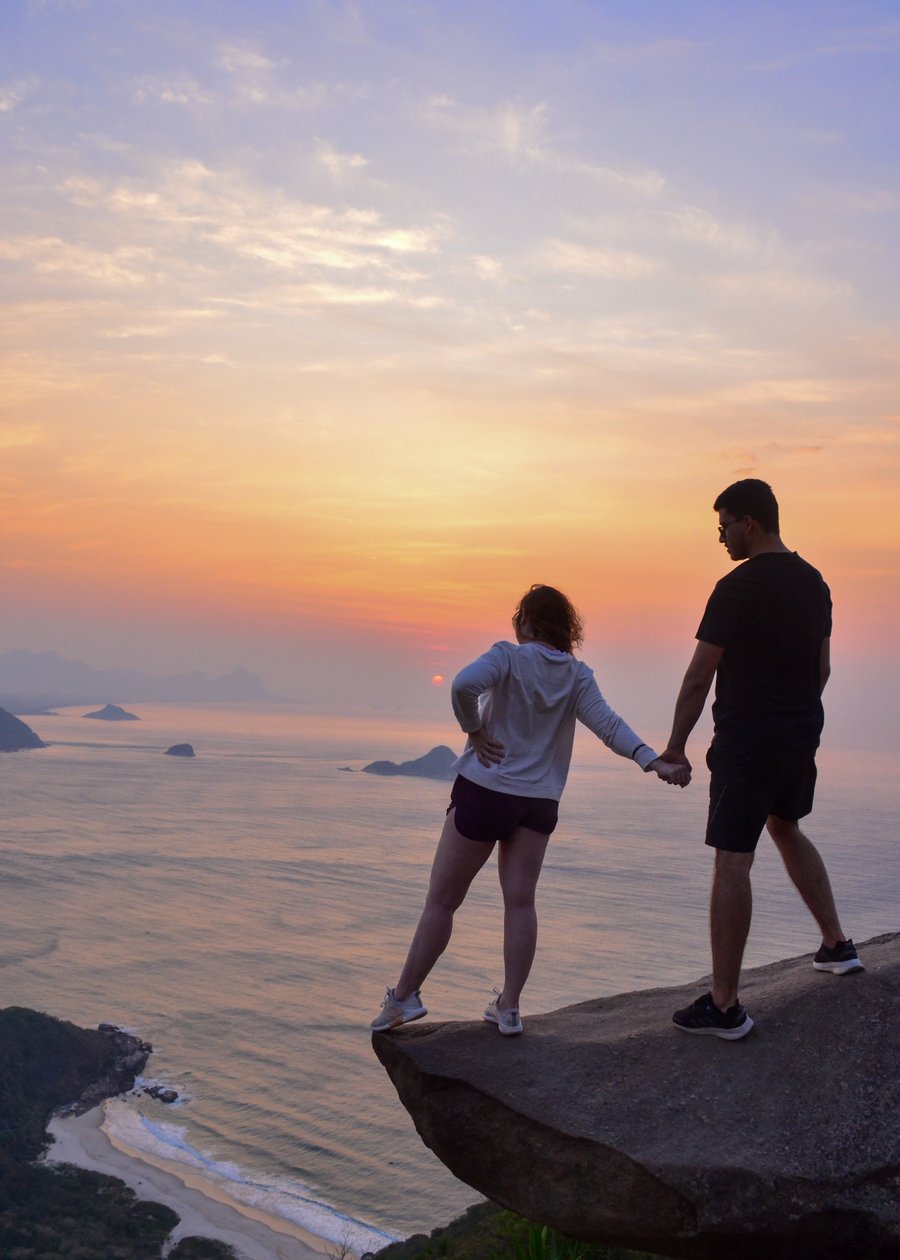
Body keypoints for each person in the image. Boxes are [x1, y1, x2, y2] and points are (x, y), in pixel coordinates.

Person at [371, 583, 689, 1037]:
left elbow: (463, 684)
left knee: (442, 901)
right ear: (565, 629)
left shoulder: (507, 656)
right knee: (521, 903)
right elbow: (608, 725)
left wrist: (474, 731)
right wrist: (651, 760)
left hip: (486, 790)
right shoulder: (577, 675)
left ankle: (403, 999)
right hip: (538, 802)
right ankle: (510, 1006)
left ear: (526, 622)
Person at [661, 479, 863, 1041]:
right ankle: (836, 944)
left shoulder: (737, 587)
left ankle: (724, 1006)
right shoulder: (814, 582)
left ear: (749, 522)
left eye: (723, 525)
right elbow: (822, 668)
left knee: (732, 859)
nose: (720, 537)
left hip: (748, 740)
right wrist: (796, 713)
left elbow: (700, 674)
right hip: (801, 730)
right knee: (786, 825)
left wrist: (676, 746)